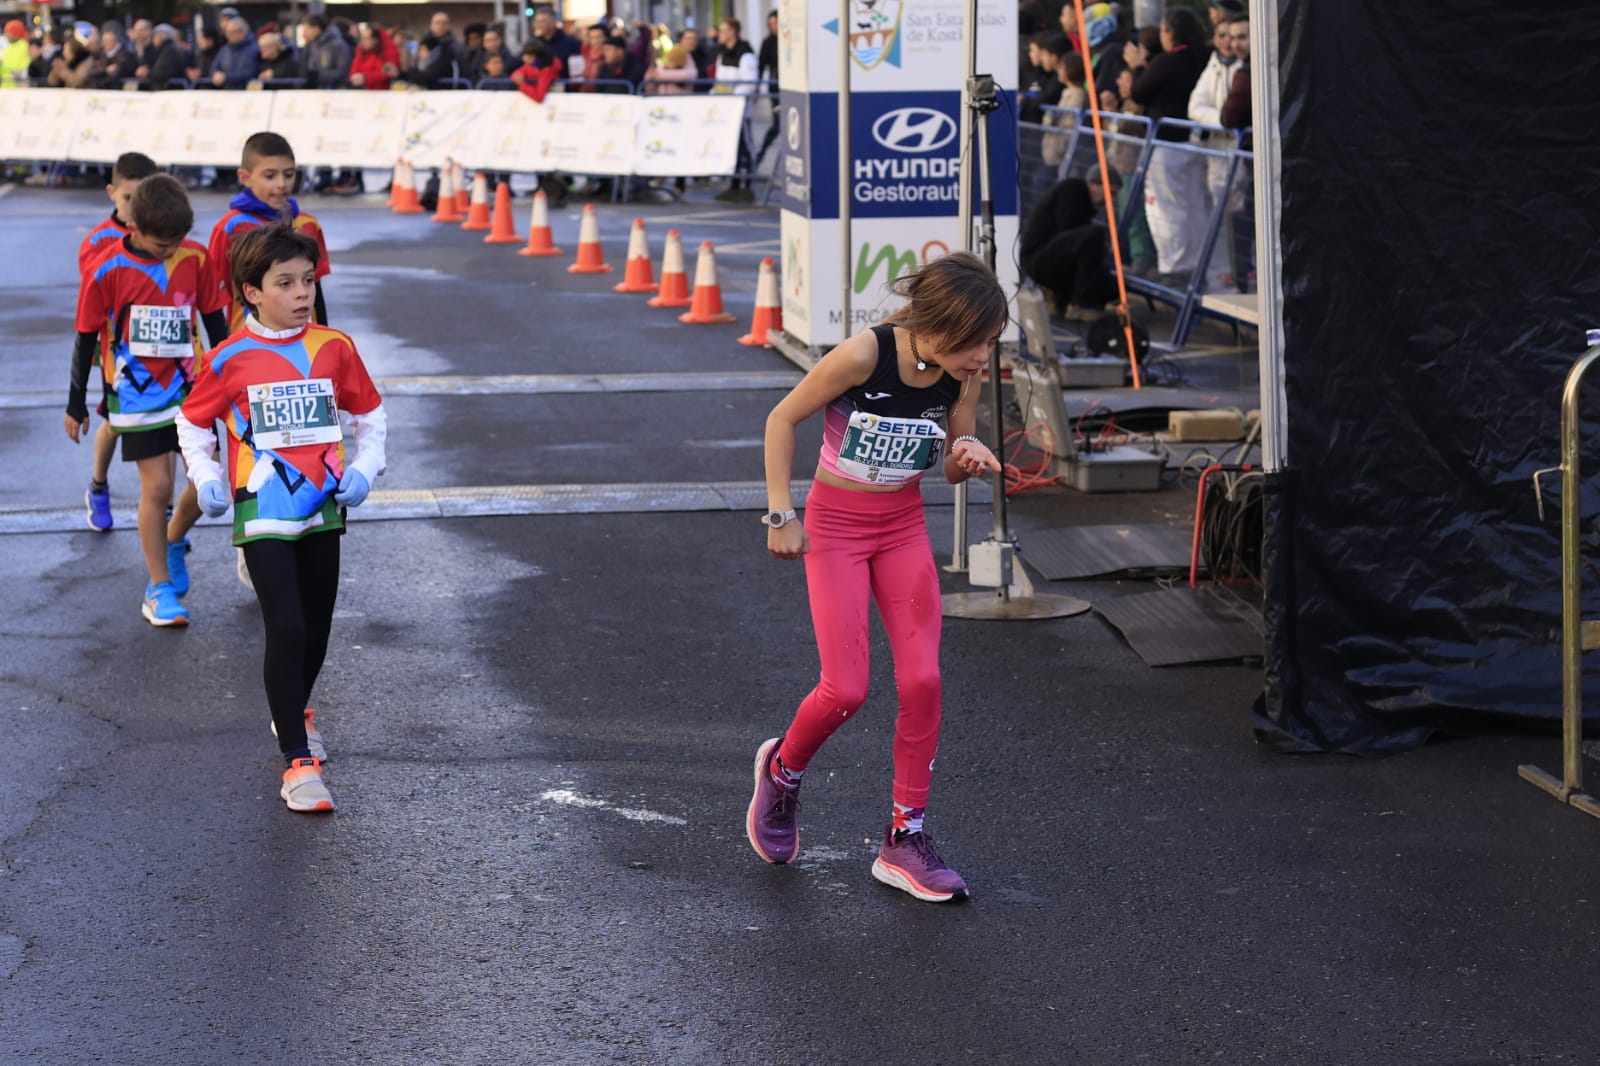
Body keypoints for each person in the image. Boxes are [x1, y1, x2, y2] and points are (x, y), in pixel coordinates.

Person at [749, 251, 1007, 903]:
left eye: (991, 344)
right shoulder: (866, 355)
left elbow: (949, 460)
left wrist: (966, 455)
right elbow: (782, 418)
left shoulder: (962, 374)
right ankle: (782, 772)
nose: (985, 357)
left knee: (923, 679)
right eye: (978, 342)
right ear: (943, 326)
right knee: (846, 689)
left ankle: (903, 841)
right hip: (834, 531)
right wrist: (781, 515)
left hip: (902, 530)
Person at [177, 222, 387, 813]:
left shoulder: (334, 346)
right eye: (286, 283)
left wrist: (367, 470)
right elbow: (192, 421)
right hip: (262, 508)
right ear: (251, 291)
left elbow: (372, 417)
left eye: (309, 281)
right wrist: (208, 476)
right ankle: (297, 763)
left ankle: (294, 710)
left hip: (322, 507)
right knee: (287, 626)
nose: (303, 294)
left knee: (317, 627)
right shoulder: (229, 358)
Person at [65, 174, 229, 626]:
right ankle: (158, 588)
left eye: (178, 241)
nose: (171, 251)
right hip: (136, 395)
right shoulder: (105, 269)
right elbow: (83, 340)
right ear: (133, 227)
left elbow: (216, 323)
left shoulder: (195, 258)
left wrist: (235, 381)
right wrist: (75, 403)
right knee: (157, 488)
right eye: (162, 245)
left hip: (191, 388)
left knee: (208, 480)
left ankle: (173, 538)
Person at [78, 151, 162, 532]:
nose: (137, 207)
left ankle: (162, 511)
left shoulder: (162, 234)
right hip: (117, 351)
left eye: (145, 197)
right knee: (114, 422)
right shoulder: (98, 243)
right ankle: (98, 484)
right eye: (129, 198)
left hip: (162, 351)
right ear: (112, 193)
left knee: (169, 427)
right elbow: (97, 301)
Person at [209, 131, 332, 336]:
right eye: (270, 176)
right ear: (245, 177)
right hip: (251, 340)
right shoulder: (230, 228)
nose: (281, 184)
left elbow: (316, 289)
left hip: (305, 338)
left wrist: (325, 334)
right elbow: (215, 292)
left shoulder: (308, 224)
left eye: (289, 174)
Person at [1125, 6, 1208, 282]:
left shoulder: (1166, 62)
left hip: (1166, 146)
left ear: (1170, 33)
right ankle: (1196, 262)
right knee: (1194, 204)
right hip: (1195, 144)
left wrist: (1138, 66)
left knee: (1165, 208)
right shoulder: (1201, 59)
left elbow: (1138, 92)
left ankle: (1174, 266)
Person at [1019, 169, 1121, 319]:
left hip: (1050, 257)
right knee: (1093, 235)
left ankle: (1061, 302)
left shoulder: (1084, 206)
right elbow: (1067, 236)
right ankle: (1080, 304)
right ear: (1094, 184)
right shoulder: (1073, 190)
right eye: (1110, 193)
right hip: (1038, 259)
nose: (1109, 200)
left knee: (1113, 286)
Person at [712, 18, 758, 202]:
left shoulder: (746, 55)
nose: (720, 34)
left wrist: (732, 96)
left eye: (723, 30)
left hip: (740, 111)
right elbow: (718, 82)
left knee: (745, 148)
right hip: (726, 112)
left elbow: (750, 84)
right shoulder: (722, 54)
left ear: (733, 31)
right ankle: (733, 185)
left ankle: (747, 186)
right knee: (731, 149)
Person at [399, 11, 465, 89]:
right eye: (437, 23)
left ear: (449, 26)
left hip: (444, 90)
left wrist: (410, 73)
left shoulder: (453, 48)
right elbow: (417, 66)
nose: (441, 26)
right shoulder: (424, 44)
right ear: (431, 26)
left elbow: (429, 75)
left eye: (444, 23)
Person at [301, 14, 351, 89]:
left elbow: (342, 71)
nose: (304, 33)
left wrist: (318, 75)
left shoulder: (338, 45)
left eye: (306, 29)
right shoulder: (313, 45)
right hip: (318, 90)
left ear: (316, 29)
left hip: (335, 92)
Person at [209, 16, 260, 88]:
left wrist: (227, 77)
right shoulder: (224, 49)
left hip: (247, 93)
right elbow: (214, 68)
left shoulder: (253, 49)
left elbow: (250, 72)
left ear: (242, 32)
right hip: (227, 92)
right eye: (227, 32)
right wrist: (216, 74)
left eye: (232, 32)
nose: (228, 35)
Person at [0, 20, 28, 87]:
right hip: (5, 87)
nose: (6, 35)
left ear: (15, 33)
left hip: (20, 88)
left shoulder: (25, 47)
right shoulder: (6, 48)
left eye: (8, 32)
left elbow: (25, 68)